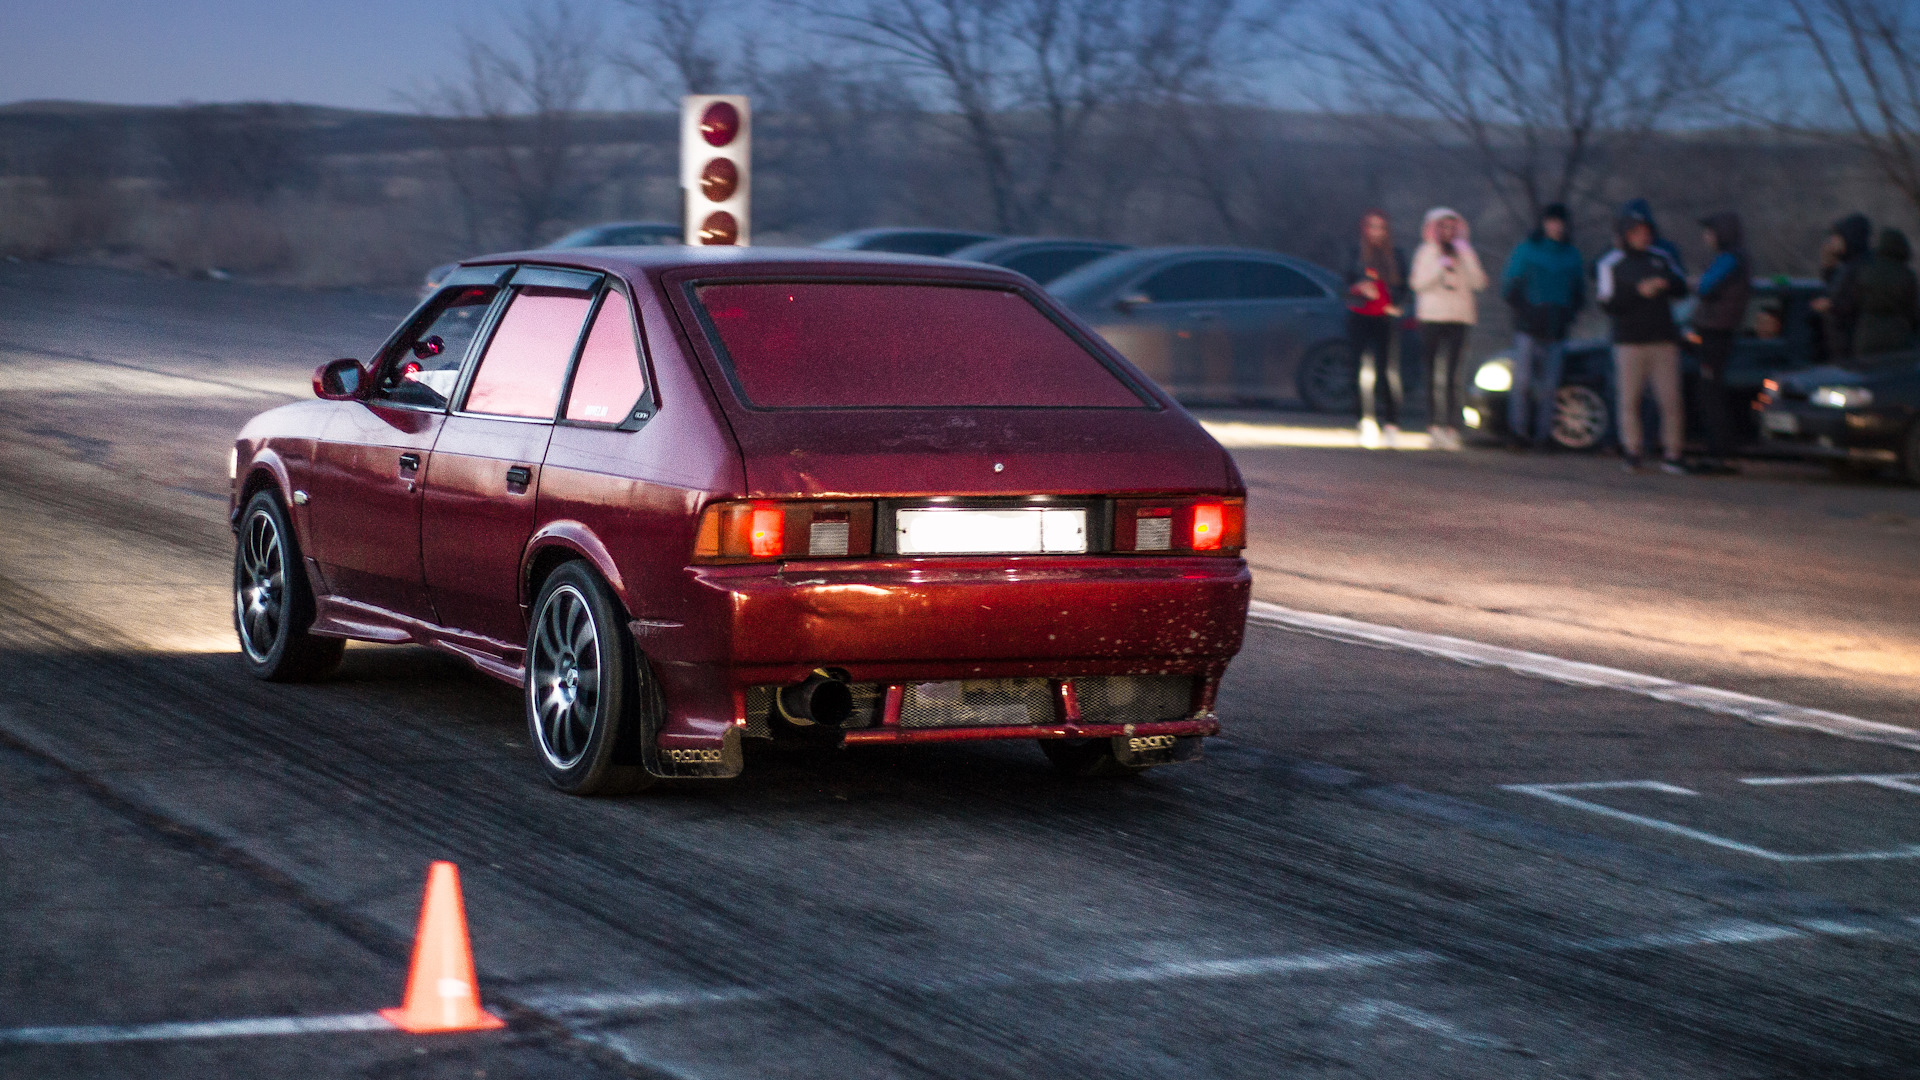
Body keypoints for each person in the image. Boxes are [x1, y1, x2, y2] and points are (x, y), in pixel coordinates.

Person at [1597, 202, 1690, 474]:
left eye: (1646, 231)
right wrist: (1638, 291)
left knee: (1670, 399)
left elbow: (1682, 287)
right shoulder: (1611, 263)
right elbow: (1607, 304)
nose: (1643, 236)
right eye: (1637, 232)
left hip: (1663, 339)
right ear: (1626, 234)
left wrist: (1665, 284)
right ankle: (1632, 450)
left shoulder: (1661, 258)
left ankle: (1673, 453)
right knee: (1630, 399)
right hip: (1629, 342)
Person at [1500, 203, 1585, 448]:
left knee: (1550, 385)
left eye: (1560, 222)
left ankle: (1544, 434)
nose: (1556, 226)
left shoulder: (1571, 254)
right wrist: (1526, 311)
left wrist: (1568, 314)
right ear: (1544, 223)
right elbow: (1510, 287)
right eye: (1552, 221)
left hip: (1557, 327)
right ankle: (1518, 432)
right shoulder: (1527, 250)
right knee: (1523, 381)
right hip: (1528, 326)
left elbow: (1578, 291)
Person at [1409, 207, 1486, 449]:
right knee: (1432, 373)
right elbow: (1417, 283)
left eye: (1452, 227)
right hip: (1432, 317)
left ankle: (1452, 427)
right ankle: (1434, 426)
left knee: (1454, 374)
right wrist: (1439, 267)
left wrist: (1465, 258)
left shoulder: (1465, 251)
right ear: (1433, 229)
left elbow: (1480, 283)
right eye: (1443, 227)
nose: (1448, 232)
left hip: (1459, 318)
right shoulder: (1425, 252)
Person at [1688, 213, 1751, 475]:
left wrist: (1693, 283)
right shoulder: (1737, 259)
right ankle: (1718, 453)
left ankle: (1719, 455)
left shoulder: (1730, 259)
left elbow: (1705, 286)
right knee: (1710, 392)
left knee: (1710, 394)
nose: (1706, 237)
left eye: (1709, 232)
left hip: (1715, 334)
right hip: (1719, 333)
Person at [1343, 211, 1408, 449]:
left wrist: (1397, 305)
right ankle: (1363, 421)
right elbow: (1344, 284)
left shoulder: (1396, 255)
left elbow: (1405, 285)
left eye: (1380, 227)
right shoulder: (1355, 253)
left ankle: (1391, 423)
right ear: (1365, 229)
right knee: (1358, 370)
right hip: (1360, 316)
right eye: (1371, 226)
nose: (1376, 232)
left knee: (1388, 370)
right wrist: (1359, 287)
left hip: (1384, 317)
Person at [1811, 213, 1871, 362]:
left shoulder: (1861, 267)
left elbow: (1858, 302)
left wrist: (1831, 306)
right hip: (1839, 346)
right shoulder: (1847, 266)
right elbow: (1836, 290)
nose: (1832, 242)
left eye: (1837, 237)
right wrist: (1829, 269)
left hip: (1850, 347)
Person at [1851, 227, 1919, 359]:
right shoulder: (1906, 274)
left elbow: (1855, 301)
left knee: (1867, 375)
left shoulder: (1866, 270)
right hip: (1897, 334)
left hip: (1866, 333)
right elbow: (1912, 310)